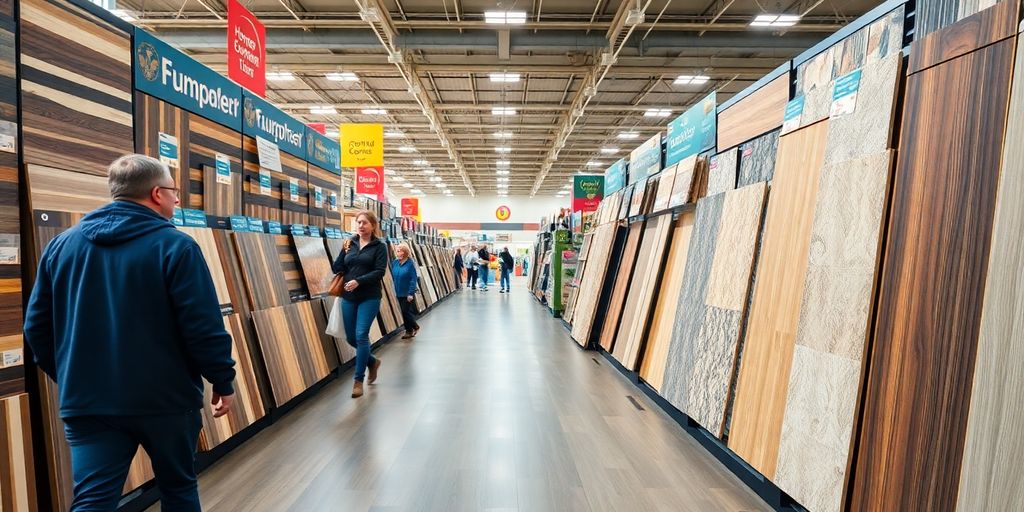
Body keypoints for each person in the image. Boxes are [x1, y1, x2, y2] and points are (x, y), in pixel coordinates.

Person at [23, 154, 236, 512]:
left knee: (92, 500)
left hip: (88, 401)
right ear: (156, 193)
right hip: (166, 400)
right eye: (174, 191)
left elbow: (36, 327)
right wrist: (222, 380)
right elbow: (202, 327)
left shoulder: (60, 246)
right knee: (178, 489)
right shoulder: (177, 247)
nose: (177, 199)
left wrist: (72, 376)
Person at [332, 210, 388, 398]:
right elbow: (337, 267)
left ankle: (358, 380)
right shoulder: (350, 243)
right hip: (349, 297)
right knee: (350, 337)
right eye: (358, 222)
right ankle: (372, 362)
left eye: (364, 222)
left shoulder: (379, 246)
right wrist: (343, 251)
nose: (361, 225)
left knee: (361, 335)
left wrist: (359, 281)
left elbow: (380, 271)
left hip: (369, 296)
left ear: (373, 225)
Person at [392, 242, 420, 339]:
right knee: (404, 311)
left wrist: (411, 293)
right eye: (397, 251)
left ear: (404, 252)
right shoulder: (395, 263)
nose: (397, 252)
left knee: (405, 311)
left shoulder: (410, 264)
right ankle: (412, 328)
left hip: (407, 292)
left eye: (399, 251)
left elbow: (413, 279)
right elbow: (393, 277)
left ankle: (411, 329)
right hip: (398, 292)